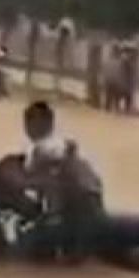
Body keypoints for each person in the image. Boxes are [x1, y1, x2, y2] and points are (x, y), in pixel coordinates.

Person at [18, 101, 105, 262]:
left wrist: (49, 217)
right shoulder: (65, 145)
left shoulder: (38, 152)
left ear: (29, 126)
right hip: (94, 202)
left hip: (76, 212)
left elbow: (49, 188)